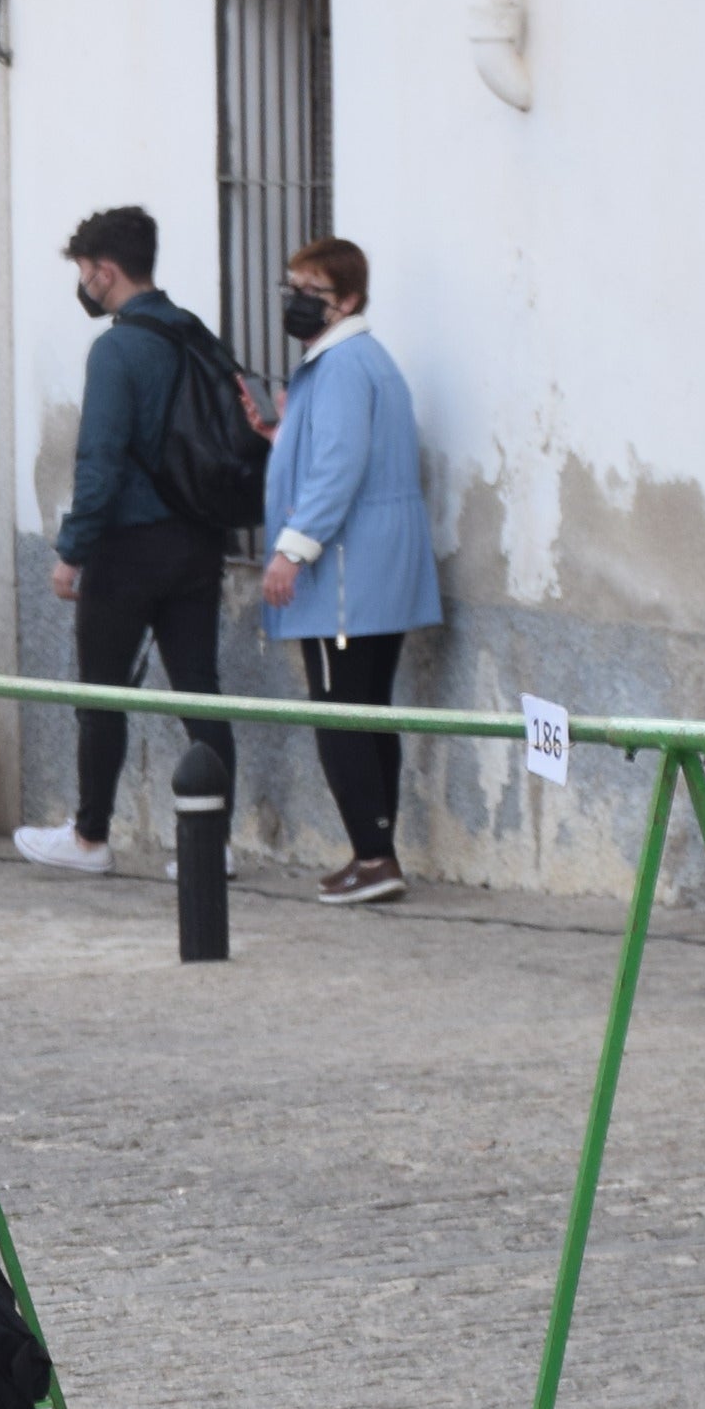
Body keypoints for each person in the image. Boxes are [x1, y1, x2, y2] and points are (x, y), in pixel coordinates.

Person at [18, 204, 237, 879]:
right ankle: (214, 842)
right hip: (198, 538)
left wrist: (72, 551)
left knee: (102, 693)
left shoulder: (116, 349)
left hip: (129, 547)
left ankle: (90, 838)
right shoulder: (194, 332)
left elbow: (101, 460)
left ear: (105, 271)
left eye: (85, 270)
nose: (83, 283)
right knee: (199, 689)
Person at [252, 235, 441, 906]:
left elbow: (338, 468)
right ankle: (375, 851)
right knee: (366, 712)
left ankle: (374, 858)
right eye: (292, 287)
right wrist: (281, 436)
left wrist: (291, 552)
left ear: (350, 299)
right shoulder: (363, 360)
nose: (298, 302)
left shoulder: (339, 367)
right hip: (375, 569)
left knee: (340, 716)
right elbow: (338, 450)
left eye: (314, 292)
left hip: (343, 574)